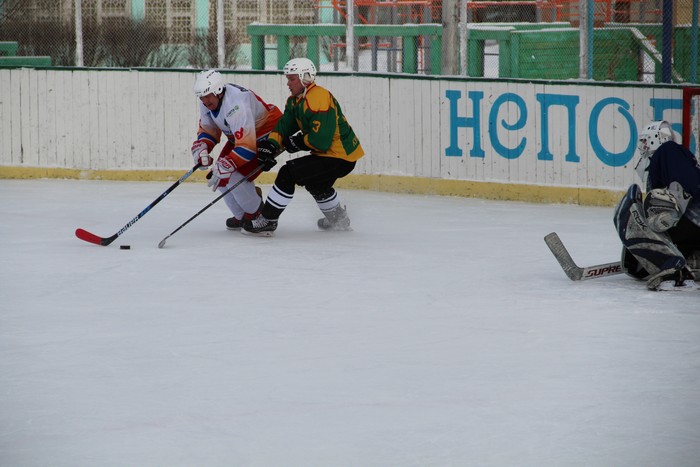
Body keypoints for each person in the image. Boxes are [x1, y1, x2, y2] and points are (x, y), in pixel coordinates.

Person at [241, 57, 365, 236]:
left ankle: (268, 220)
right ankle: (338, 219)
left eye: (292, 79)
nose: (288, 83)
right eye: (288, 79)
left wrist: (297, 142)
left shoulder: (319, 97)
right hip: (330, 155)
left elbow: (321, 140)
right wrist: (270, 146)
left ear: (305, 78)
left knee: (288, 173)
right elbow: (284, 127)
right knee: (317, 184)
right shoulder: (295, 101)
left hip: (340, 157)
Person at [613, 120, 700, 290]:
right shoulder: (674, 157)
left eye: (644, 141)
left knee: (635, 211)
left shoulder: (667, 150)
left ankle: (672, 268)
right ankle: (688, 263)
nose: (643, 146)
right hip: (693, 225)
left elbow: (688, 185)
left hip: (694, 217)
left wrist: (674, 205)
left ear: (655, 138)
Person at [191, 69, 282, 230]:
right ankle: (242, 215)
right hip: (242, 137)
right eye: (201, 97)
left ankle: (257, 213)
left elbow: (247, 147)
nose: (205, 101)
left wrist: (230, 163)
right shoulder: (207, 101)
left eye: (208, 96)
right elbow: (209, 129)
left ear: (218, 90)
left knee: (231, 173)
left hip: (268, 133)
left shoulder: (236, 104)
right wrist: (203, 147)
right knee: (218, 174)